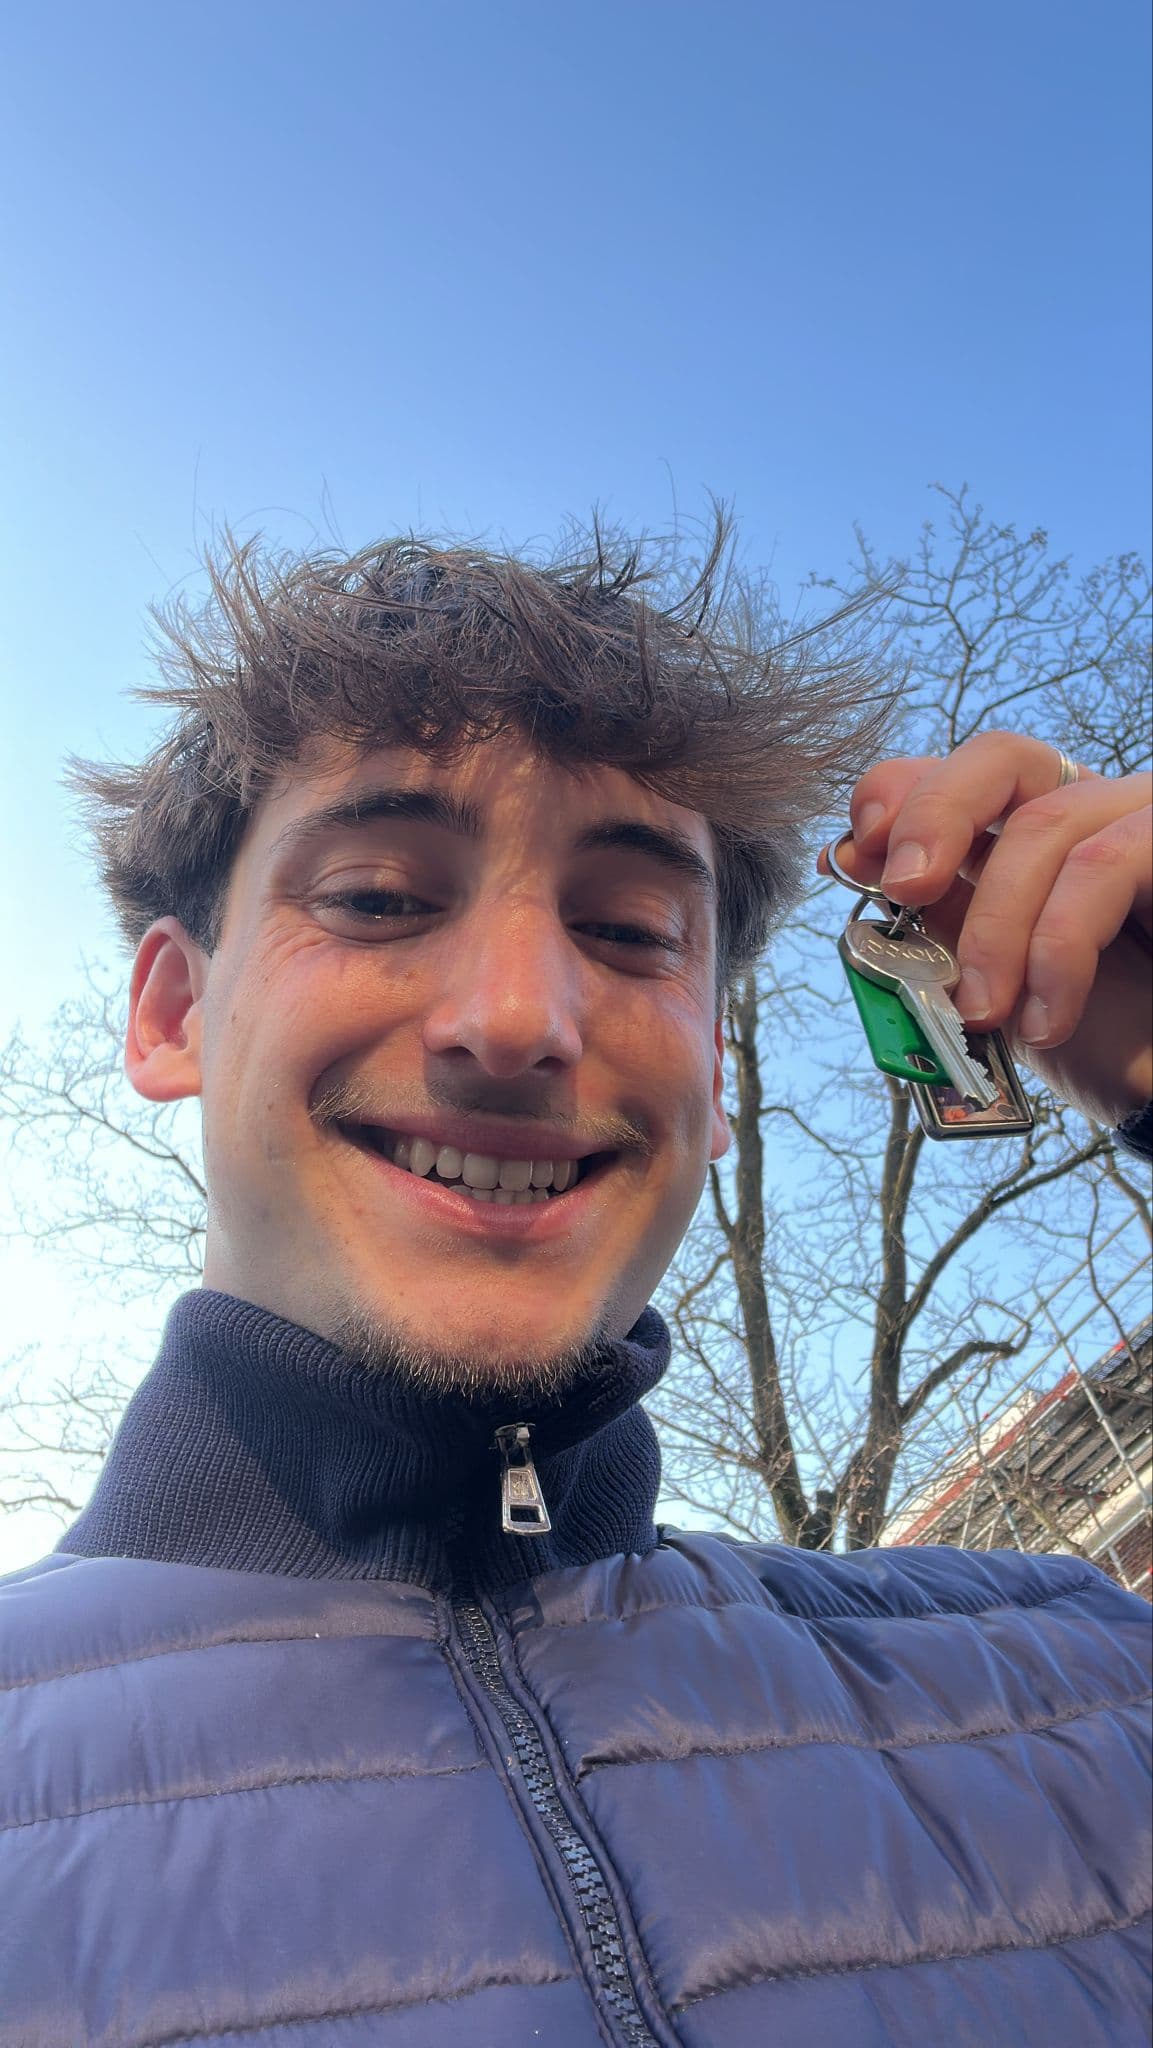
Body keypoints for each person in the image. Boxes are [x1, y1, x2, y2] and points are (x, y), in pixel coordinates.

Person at [2, 525, 1150, 2048]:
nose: (518, 1018)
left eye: (624, 933)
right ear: (172, 1014)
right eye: (374, 898)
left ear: (716, 1073)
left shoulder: (1074, 1677)